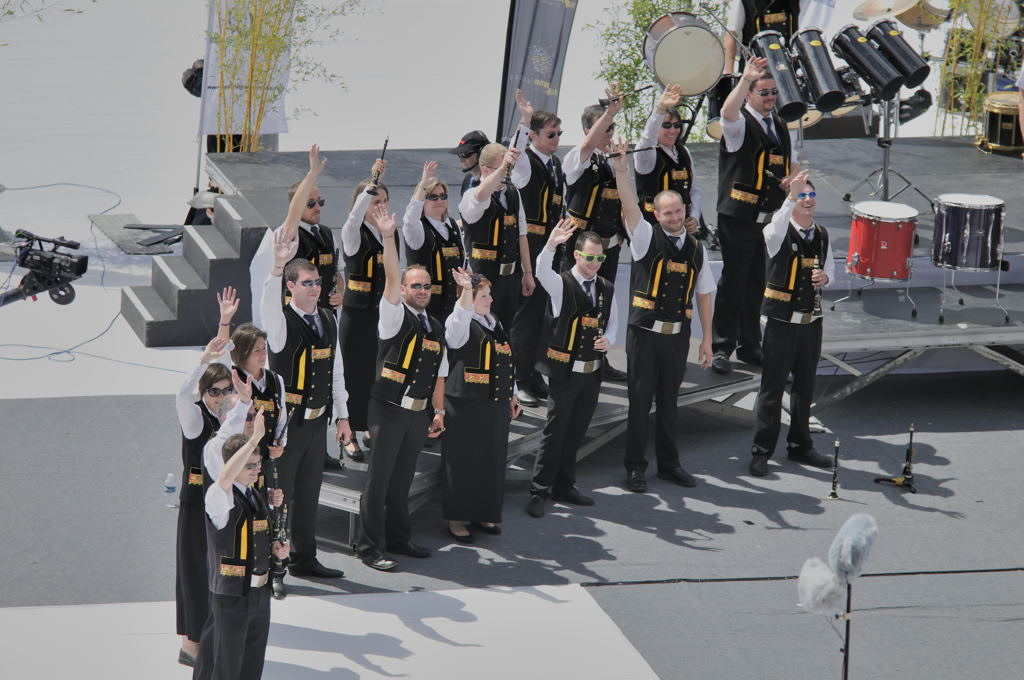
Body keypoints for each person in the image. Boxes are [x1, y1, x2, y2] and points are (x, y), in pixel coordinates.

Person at [610, 140, 715, 493]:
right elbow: (627, 206)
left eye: (677, 210)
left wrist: (709, 340)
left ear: (686, 209)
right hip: (644, 334)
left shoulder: (698, 248)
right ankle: (635, 468)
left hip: (677, 335)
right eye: (666, 212)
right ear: (656, 215)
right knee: (640, 402)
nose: (672, 217)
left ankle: (670, 465)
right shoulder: (643, 238)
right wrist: (622, 172)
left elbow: (704, 293)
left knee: (670, 402)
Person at [355, 203, 448, 571]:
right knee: (377, 483)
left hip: (416, 414)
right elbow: (391, 277)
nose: (422, 290)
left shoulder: (435, 326)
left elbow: (439, 372)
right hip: (388, 410)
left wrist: (437, 412)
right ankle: (369, 547)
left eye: (426, 285)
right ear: (405, 289)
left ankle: (398, 537)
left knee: (402, 480)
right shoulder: (394, 316)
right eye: (416, 286)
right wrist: (389, 236)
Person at [260, 224, 353, 580]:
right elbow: (267, 303)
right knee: (280, 497)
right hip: (287, 427)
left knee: (309, 494)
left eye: (317, 283)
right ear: (291, 287)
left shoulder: (328, 318)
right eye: (306, 283)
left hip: (317, 424)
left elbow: (336, 370)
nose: (315, 288)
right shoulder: (281, 322)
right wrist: (276, 266)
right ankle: (273, 566)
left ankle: (304, 558)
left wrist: (343, 416)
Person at [712, 56, 800, 376]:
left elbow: (783, 162)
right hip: (738, 215)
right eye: (763, 92)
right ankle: (722, 346)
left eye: (773, 92)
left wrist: (789, 180)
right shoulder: (739, 124)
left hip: (767, 216)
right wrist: (745, 79)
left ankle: (750, 345)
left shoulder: (777, 124)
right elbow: (726, 113)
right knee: (734, 281)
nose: (769, 98)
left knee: (756, 283)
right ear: (749, 94)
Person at [526, 222, 618, 518]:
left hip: (591, 372)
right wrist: (551, 244)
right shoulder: (561, 284)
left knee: (577, 430)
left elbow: (612, 322)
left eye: (599, 259)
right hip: (565, 374)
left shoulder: (606, 287)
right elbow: (542, 272)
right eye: (589, 258)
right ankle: (539, 490)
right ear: (577, 256)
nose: (594, 264)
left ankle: (565, 485)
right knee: (555, 431)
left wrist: (608, 340)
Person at [749, 171, 834, 476]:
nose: (808, 200)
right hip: (781, 321)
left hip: (811, 321)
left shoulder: (822, 234)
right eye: (803, 196)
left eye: (811, 195)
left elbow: (831, 271)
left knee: (804, 386)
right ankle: (761, 451)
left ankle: (801, 445)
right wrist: (789, 195)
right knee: (772, 388)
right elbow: (774, 229)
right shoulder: (779, 230)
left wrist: (825, 277)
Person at [191, 412, 288, 680]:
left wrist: (277, 552)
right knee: (227, 665)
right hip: (232, 594)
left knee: (251, 663)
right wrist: (254, 436)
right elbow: (224, 478)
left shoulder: (254, 495)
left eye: (258, 465)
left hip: (258, 591)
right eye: (250, 466)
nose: (257, 470)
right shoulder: (219, 496)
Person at [442, 267, 521, 541]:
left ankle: (484, 512)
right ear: (469, 298)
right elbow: (455, 329)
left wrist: (513, 392)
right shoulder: (460, 322)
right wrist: (465, 289)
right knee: (463, 461)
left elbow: (506, 359)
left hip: (494, 402)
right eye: (483, 296)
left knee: (492, 459)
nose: (490, 300)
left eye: (489, 294)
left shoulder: (493, 321)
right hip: (465, 404)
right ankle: (457, 518)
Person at [174, 334, 235, 668]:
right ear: (204, 394)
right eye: (215, 392)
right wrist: (203, 361)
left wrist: (224, 327)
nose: (222, 397)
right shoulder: (195, 418)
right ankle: (192, 641)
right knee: (195, 572)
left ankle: (214, 632)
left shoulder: (232, 418)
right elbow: (183, 393)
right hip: (197, 505)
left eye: (227, 391)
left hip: (223, 507)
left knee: (220, 570)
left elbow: (227, 366)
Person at [563, 86, 628, 381]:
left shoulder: (612, 160)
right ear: (591, 128)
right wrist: (610, 111)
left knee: (602, 303)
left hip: (608, 249)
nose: (611, 132)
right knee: (575, 305)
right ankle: (569, 360)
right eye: (606, 126)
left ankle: (599, 359)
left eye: (613, 126)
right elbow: (588, 144)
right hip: (579, 251)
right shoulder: (577, 159)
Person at [509, 89, 567, 406]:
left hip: (550, 247)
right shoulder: (526, 164)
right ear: (534, 135)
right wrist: (524, 119)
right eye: (550, 133)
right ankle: (519, 380)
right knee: (526, 317)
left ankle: (531, 374)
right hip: (528, 248)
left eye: (559, 133)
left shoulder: (555, 164)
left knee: (543, 317)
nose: (557, 138)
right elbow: (512, 155)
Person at [227, 321, 289, 598]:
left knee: (274, 514)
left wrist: (279, 445)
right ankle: (247, 570)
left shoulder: (275, 380)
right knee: (246, 518)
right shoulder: (233, 380)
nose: (262, 354)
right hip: (241, 463)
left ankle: (276, 570)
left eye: (264, 349)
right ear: (241, 353)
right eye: (255, 350)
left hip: (268, 462)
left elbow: (282, 417)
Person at [339, 156, 391, 461]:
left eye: (383, 200)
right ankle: (350, 434)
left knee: (375, 373)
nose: (380, 206)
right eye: (374, 201)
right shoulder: (353, 234)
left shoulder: (387, 232)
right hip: (356, 315)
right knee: (352, 376)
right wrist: (370, 186)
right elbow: (352, 220)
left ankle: (369, 425)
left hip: (381, 314)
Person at [458, 142, 534, 332]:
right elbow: (481, 196)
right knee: (482, 331)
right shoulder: (471, 195)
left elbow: (522, 234)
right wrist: (501, 169)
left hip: (510, 278)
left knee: (505, 331)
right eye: (503, 169)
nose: (507, 174)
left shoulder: (512, 192)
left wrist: (528, 273)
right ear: (485, 168)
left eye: (509, 169)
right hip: (483, 278)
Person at [403, 160, 466, 324]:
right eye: (433, 197)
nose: (439, 201)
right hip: (426, 309)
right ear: (423, 201)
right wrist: (423, 184)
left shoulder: (453, 225)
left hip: (454, 307)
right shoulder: (417, 230)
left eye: (443, 196)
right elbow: (410, 219)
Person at [634, 84, 703, 231]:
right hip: (653, 231)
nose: (673, 130)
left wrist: (695, 217)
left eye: (676, 125)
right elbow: (647, 139)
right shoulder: (647, 154)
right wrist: (659, 109)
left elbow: (694, 189)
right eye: (666, 125)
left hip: (681, 231)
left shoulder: (683, 151)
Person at [449, 130, 490, 197]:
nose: (461, 160)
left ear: (481, 153)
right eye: (460, 155)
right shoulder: (468, 179)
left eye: (465, 154)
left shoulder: (494, 182)